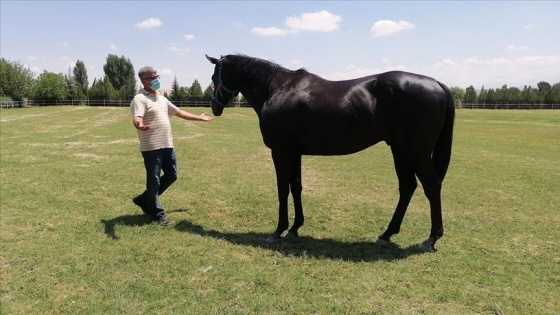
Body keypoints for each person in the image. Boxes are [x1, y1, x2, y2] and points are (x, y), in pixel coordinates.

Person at [130, 66, 214, 226]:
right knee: (153, 180)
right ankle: (156, 214)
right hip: (151, 146)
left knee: (172, 175)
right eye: (152, 77)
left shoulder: (161, 98)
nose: (156, 80)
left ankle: (143, 199)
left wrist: (199, 118)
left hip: (167, 144)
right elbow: (137, 117)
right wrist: (139, 125)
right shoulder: (140, 99)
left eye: (157, 76)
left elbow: (179, 112)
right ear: (143, 81)